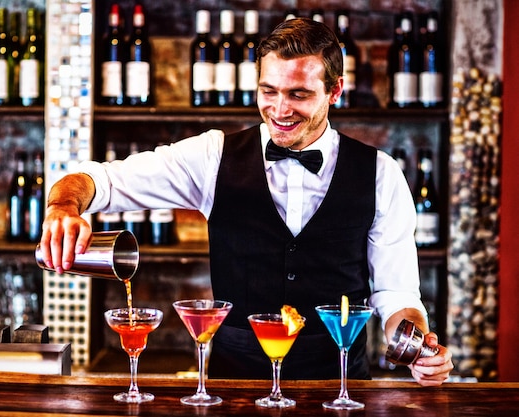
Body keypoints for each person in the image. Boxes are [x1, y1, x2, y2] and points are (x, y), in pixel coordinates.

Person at [39, 18, 453, 385]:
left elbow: (397, 294)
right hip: (234, 385)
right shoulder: (213, 157)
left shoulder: (381, 173)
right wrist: (63, 207)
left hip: (338, 386)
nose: (279, 109)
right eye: (268, 91)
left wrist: (416, 346)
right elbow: (100, 181)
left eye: (298, 94)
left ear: (335, 91)